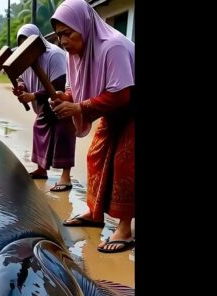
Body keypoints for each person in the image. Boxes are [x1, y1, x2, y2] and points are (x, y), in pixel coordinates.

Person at [50, 0, 135, 253]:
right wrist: (64, 98)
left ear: (83, 26)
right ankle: (95, 213)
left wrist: (79, 108)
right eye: (58, 35)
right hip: (114, 111)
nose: (63, 41)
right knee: (95, 157)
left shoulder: (113, 47)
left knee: (125, 163)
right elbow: (72, 90)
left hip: (131, 107)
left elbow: (121, 95)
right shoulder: (74, 53)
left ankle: (125, 229)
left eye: (67, 33)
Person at [11, 24, 76, 192]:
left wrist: (32, 96)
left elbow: (58, 84)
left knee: (63, 133)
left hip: (61, 98)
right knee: (38, 128)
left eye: (29, 43)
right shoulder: (24, 58)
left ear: (38, 41)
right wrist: (20, 87)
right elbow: (23, 79)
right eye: (22, 44)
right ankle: (41, 168)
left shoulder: (54, 55)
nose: (26, 47)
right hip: (42, 102)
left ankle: (66, 177)